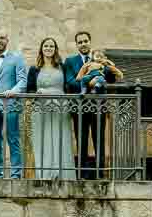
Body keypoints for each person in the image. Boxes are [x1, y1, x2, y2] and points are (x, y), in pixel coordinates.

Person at [64, 31, 122, 179]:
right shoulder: (70, 61)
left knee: (99, 140)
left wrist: (106, 67)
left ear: (90, 42)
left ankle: (99, 173)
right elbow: (70, 82)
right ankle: (82, 174)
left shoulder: (99, 58)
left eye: (85, 41)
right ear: (77, 45)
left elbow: (111, 80)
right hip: (79, 107)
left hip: (98, 106)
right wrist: (91, 82)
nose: (83, 44)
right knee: (81, 140)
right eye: (80, 42)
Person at [26, 38, 76, 179]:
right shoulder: (34, 69)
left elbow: (69, 85)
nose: (49, 48)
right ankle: (45, 174)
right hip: (40, 107)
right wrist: (35, 94)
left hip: (61, 106)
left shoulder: (62, 66)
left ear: (55, 49)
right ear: (41, 49)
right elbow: (29, 89)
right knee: (42, 139)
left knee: (61, 138)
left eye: (51, 46)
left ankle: (63, 174)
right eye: (46, 46)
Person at [0, 30, 27, 179]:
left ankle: (16, 174)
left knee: (13, 138)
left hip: (11, 104)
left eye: (2, 38)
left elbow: (23, 80)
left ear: (7, 40)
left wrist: (13, 91)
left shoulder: (17, 58)